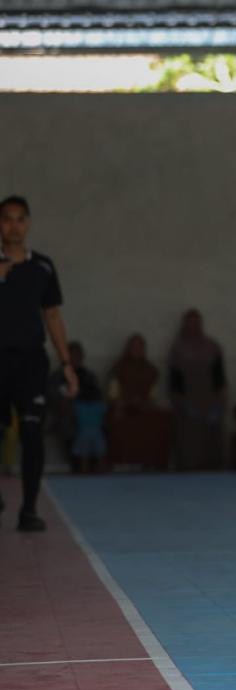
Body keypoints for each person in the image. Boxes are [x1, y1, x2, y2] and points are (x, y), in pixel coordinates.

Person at [0, 195, 79, 531]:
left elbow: (53, 316)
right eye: (7, 219)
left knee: (32, 432)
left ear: (28, 223)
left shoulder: (43, 266)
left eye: (20, 219)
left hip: (31, 361)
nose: (14, 225)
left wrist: (67, 364)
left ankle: (28, 510)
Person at [168, 309, 226, 470]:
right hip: (187, 405)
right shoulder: (178, 349)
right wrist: (182, 404)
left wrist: (219, 404)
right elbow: (175, 381)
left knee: (212, 444)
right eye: (190, 322)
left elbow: (219, 378)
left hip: (210, 400)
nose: (194, 325)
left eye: (197, 321)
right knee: (189, 446)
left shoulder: (212, 347)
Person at [108, 333, 173, 469]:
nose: (137, 350)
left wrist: (144, 403)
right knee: (116, 417)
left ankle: (154, 464)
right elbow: (113, 394)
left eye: (140, 347)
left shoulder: (150, 370)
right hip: (123, 407)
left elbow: (153, 396)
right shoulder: (119, 368)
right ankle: (120, 464)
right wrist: (125, 402)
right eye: (134, 347)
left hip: (144, 408)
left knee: (163, 419)